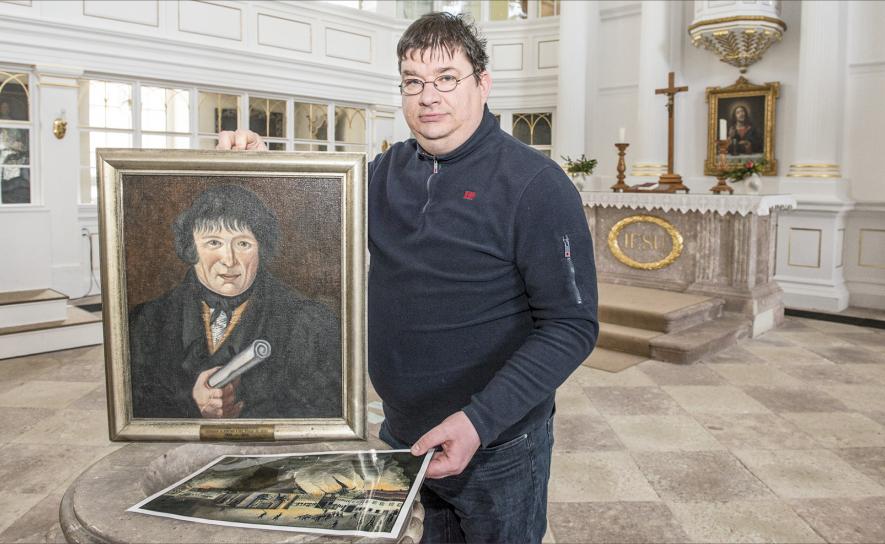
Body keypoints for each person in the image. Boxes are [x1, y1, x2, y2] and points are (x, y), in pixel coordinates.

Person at [218, 12, 598, 542]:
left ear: (482, 84)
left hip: (495, 442)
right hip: (401, 431)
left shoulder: (536, 184)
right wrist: (261, 168)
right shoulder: (385, 171)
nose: (428, 95)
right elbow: (310, 224)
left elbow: (571, 326)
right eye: (414, 81)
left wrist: (478, 422)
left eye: (447, 78)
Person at [129, 184, 341, 419]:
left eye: (243, 244)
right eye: (213, 243)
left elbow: (326, 410)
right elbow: (137, 406)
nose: (228, 260)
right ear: (192, 247)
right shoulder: (147, 320)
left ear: (261, 248)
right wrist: (191, 403)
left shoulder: (310, 323)